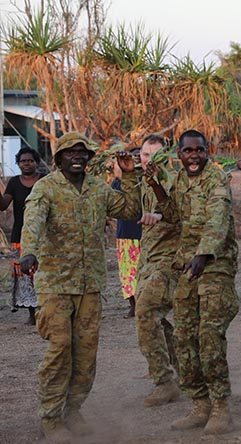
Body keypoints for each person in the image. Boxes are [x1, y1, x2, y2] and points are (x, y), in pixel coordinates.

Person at [19, 132, 141, 442]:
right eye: (71, 152)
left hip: (89, 285)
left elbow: (129, 210)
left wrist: (128, 176)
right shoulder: (46, 188)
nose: (78, 157)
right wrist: (28, 251)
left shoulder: (98, 188)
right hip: (56, 285)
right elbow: (31, 220)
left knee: (86, 354)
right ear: (58, 158)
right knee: (60, 349)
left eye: (83, 152)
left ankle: (73, 410)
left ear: (89, 158)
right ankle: (51, 418)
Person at [142, 129, 239, 435]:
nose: (193, 156)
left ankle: (221, 407)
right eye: (187, 151)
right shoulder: (181, 180)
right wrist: (157, 185)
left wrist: (203, 254)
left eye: (199, 151)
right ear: (179, 154)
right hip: (189, 265)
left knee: (209, 336)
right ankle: (200, 403)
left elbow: (218, 220)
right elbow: (172, 216)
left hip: (215, 266)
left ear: (207, 151)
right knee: (184, 337)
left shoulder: (217, 179)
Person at [134, 133, 181, 408]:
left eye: (155, 155)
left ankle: (164, 382)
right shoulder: (142, 182)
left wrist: (162, 215)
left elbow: (181, 213)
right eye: (144, 155)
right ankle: (185, 370)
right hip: (147, 259)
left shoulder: (175, 181)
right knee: (156, 318)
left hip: (170, 259)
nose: (148, 160)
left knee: (146, 312)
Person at [0, 147, 44, 326]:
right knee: (24, 275)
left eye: (30, 160)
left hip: (44, 234)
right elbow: (3, 206)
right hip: (20, 235)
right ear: (18, 164)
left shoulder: (45, 180)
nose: (27, 164)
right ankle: (32, 314)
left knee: (44, 272)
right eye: (23, 161)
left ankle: (46, 310)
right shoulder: (13, 183)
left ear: (36, 162)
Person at [111, 147, 143, 319]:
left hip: (146, 232)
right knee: (128, 273)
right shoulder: (118, 183)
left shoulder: (150, 181)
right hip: (126, 233)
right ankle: (133, 304)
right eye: (135, 157)